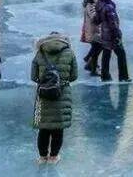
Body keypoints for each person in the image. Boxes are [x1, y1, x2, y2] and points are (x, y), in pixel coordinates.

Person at [31, 32, 77, 165]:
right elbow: (74, 76)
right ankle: (54, 157)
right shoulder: (69, 53)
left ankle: (42, 157)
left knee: (43, 128)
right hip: (62, 94)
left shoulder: (40, 52)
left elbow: (33, 77)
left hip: (43, 95)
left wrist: (44, 81)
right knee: (58, 128)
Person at [94, 0, 130, 82]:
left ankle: (105, 76)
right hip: (112, 35)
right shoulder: (109, 6)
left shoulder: (99, 5)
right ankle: (123, 77)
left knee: (106, 55)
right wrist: (118, 34)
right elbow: (113, 23)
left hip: (104, 34)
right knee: (121, 54)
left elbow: (96, 21)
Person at [81, 0, 103, 76]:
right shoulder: (90, 4)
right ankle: (92, 67)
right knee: (97, 48)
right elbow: (94, 17)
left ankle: (90, 63)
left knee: (96, 48)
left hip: (96, 31)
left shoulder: (93, 3)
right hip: (94, 31)